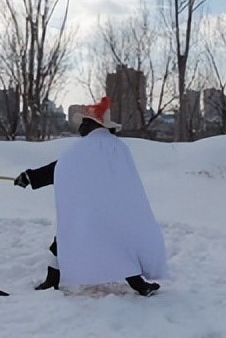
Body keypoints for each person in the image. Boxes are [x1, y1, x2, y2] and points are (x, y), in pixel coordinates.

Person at [15, 96, 168, 296]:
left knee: (63, 241)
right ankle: (139, 284)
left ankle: (52, 282)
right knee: (119, 244)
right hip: (113, 212)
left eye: (84, 123)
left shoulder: (85, 149)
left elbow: (61, 169)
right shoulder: (118, 148)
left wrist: (29, 177)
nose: (81, 128)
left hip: (89, 213)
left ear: (92, 124)